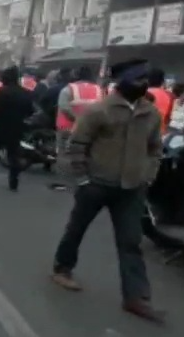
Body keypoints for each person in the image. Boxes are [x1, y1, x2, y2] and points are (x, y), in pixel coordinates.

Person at [51, 59, 165, 323]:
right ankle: (62, 268)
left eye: (144, 80)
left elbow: (155, 149)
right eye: (137, 80)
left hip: (131, 188)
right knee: (76, 229)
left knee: (130, 242)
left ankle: (136, 298)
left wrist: (147, 176)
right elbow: (77, 145)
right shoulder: (99, 111)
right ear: (122, 83)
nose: (142, 85)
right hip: (97, 185)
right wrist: (82, 180)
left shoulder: (151, 113)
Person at [0, 67, 36, 191]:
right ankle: (13, 183)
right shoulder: (26, 93)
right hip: (16, 128)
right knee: (13, 156)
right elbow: (30, 111)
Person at [56, 66, 102, 158]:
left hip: (67, 128)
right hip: (90, 129)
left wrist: (77, 119)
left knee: (65, 156)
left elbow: (63, 106)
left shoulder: (69, 89)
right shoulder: (98, 89)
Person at [146, 68, 174, 134]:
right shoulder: (170, 96)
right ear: (162, 81)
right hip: (159, 134)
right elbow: (169, 119)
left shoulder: (140, 93)